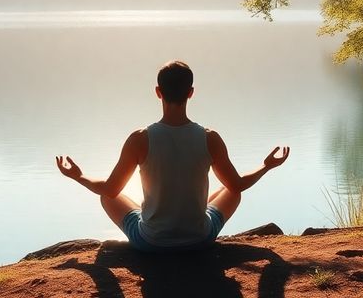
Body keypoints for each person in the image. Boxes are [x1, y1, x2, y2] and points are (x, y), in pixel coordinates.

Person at [56, 60, 290, 252]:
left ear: (158, 92)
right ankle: (186, 218)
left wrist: (79, 176)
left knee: (107, 196)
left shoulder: (140, 139)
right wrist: (266, 166)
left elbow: (110, 190)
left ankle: (161, 219)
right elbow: (238, 185)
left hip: (151, 242)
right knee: (231, 190)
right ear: (191, 93)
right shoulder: (210, 138)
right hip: (199, 239)